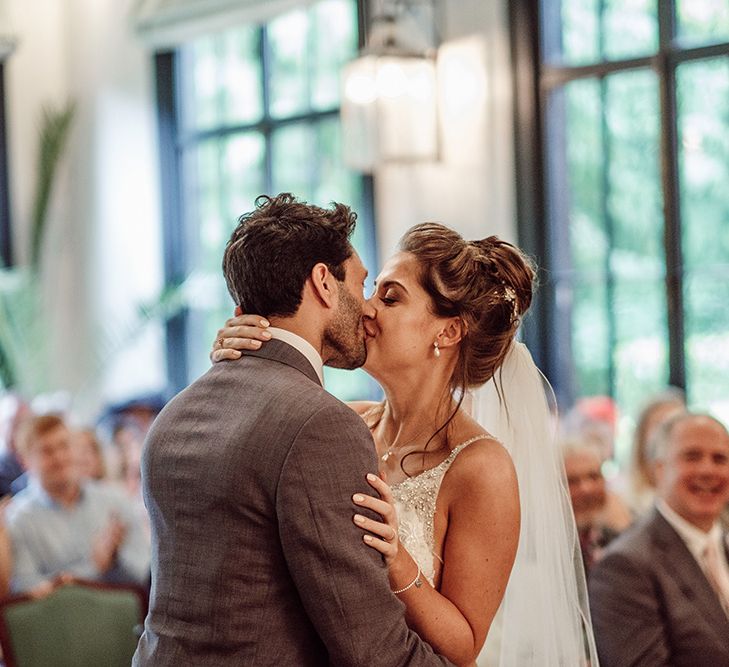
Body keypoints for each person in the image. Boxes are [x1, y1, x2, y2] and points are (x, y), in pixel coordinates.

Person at [213, 220, 597, 665]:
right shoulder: (340, 423)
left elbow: (465, 643)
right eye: (373, 291)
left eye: (390, 297)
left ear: (448, 332)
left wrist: (396, 558)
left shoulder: (480, 467)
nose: (366, 308)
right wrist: (241, 353)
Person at [134, 194, 450, 666]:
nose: (367, 311)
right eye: (364, 286)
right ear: (324, 282)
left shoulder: (176, 413)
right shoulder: (323, 426)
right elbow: (371, 649)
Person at [589, 412, 729, 666]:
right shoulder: (625, 566)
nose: (708, 470)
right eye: (692, 456)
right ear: (659, 469)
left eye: (720, 459)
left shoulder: (724, 545)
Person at [7, 414, 150, 595]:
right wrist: (94, 566)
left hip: (124, 619)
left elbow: (144, 574)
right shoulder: (18, 520)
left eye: (64, 446)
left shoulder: (115, 501)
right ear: (24, 461)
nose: (59, 457)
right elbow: (26, 590)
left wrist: (114, 560)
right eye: (46, 451)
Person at [562, 437, 631, 573]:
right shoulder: (549, 548)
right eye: (573, 481)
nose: (586, 489)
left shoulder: (622, 530)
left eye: (593, 477)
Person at [626, 388, 686, 516]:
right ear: (642, 434)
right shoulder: (623, 496)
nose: (669, 434)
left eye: (677, 424)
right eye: (660, 425)